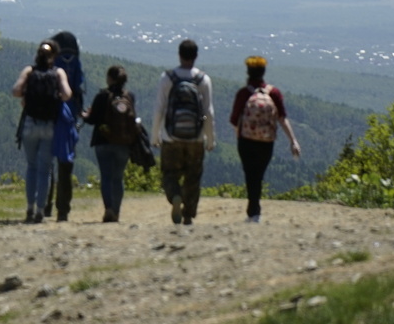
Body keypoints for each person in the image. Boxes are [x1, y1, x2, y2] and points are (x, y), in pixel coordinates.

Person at [151, 38, 216, 225]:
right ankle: (188, 215)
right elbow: (208, 112)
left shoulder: (167, 78)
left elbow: (159, 109)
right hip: (196, 139)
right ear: (196, 56)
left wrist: (155, 136)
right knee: (193, 177)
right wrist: (210, 139)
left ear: (179, 55)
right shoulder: (203, 80)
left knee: (169, 174)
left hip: (171, 138)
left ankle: (175, 196)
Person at [229, 55, 301, 223]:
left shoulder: (243, 93)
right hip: (266, 141)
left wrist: (239, 137)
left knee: (250, 174)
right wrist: (293, 140)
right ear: (263, 72)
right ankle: (255, 211)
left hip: (246, 141)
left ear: (248, 72)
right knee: (259, 174)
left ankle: (253, 211)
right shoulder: (273, 93)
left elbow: (234, 120)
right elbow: (282, 118)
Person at [11, 40, 71, 224]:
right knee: (45, 169)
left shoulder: (29, 71)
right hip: (49, 126)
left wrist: (28, 95)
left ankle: (29, 207)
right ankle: (40, 210)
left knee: (32, 166)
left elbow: (15, 91)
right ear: (54, 55)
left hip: (30, 122)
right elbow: (67, 94)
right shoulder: (58, 73)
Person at [81, 65, 138, 222]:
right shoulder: (130, 97)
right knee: (118, 178)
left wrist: (85, 115)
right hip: (124, 143)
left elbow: (92, 120)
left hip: (103, 141)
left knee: (106, 176)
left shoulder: (102, 96)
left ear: (110, 78)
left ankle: (108, 209)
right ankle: (117, 212)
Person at [45, 30, 85, 221]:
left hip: (49, 115)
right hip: (69, 119)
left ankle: (45, 205)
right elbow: (79, 87)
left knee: (46, 164)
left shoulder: (53, 62)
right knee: (65, 165)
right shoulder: (75, 62)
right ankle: (63, 209)